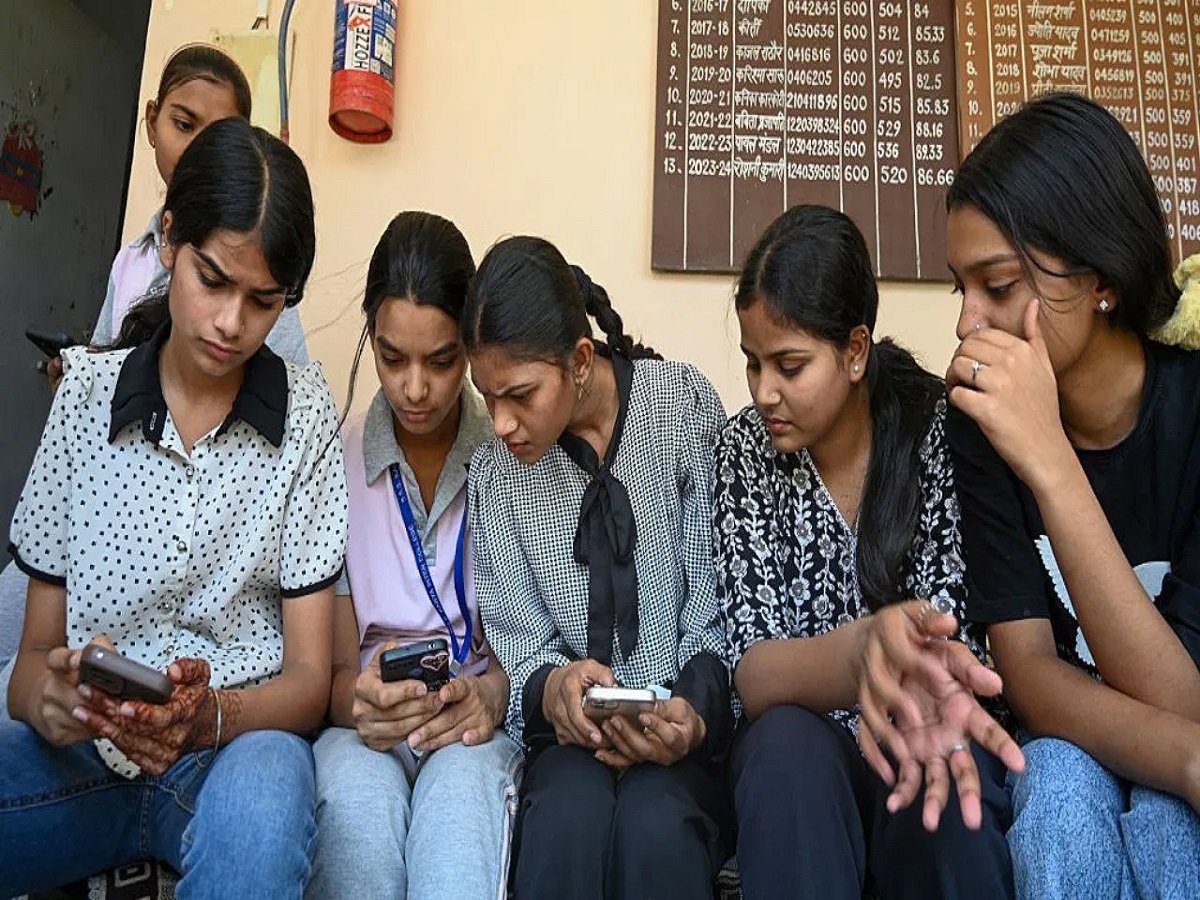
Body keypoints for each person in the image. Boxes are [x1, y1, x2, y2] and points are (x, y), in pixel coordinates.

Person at [0, 117, 347, 899]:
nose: (231, 323)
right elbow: (31, 665)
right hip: (87, 754)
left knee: (263, 823)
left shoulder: (307, 417)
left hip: (237, 748)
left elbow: (308, 678)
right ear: (168, 240)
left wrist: (210, 716)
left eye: (263, 301)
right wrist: (52, 702)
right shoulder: (85, 397)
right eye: (212, 280)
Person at [716, 204, 1020, 900]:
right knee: (783, 749)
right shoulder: (742, 453)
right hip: (808, 758)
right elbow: (754, 670)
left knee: (939, 769)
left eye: (790, 365)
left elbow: (956, 645)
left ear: (856, 351)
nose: (764, 391)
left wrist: (905, 677)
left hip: (925, 722)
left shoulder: (942, 434)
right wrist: (864, 655)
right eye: (753, 363)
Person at [944, 92, 1200, 898]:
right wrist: (1189, 761)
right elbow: (1027, 673)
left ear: (1100, 278)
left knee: (1169, 824)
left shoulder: (1193, 406)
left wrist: (1050, 460)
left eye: (998, 284)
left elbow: (1186, 696)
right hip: (1078, 740)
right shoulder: (980, 421)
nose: (968, 322)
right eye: (960, 289)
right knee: (1054, 788)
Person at [464, 237, 732, 899]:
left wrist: (687, 714)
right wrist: (554, 688)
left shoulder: (681, 409)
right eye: (487, 398)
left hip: (683, 735)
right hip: (570, 747)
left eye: (520, 395)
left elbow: (718, 603)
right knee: (565, 820)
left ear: (580, 361)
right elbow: (519, 640)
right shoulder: (497, 475)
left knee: (657, 824)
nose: (501, 423)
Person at [307, 212, 521, 900]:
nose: (415, 388)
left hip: (472, 721)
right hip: (366, 726)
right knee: (358, 839)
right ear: (369, 336)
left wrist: (492, 696)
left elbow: (540, 642)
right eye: (392, 358)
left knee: (454, 854)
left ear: (472, 348)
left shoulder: (512, 457)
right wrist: (359, 703)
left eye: (442, 360)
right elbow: (333, 673)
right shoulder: (332, 461)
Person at [88, 44, 307, 363]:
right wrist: (79, 375)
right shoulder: (130, 260)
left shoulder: (260, 266)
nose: (198, 149)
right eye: (184, 124)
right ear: (152, 121)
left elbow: (286, 378)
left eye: (218, 135)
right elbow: (101, 362)